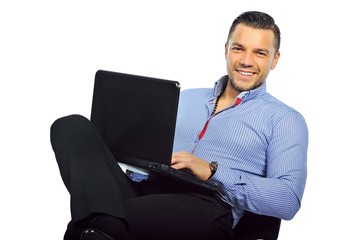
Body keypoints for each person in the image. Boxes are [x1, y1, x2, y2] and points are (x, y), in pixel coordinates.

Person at [50, 11, 308, 240]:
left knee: (91, 221)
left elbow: (288, 200)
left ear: (274, 60)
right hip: (145, 188)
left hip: (206, 205)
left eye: (260, 53)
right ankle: (104, 226)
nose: (246, 61)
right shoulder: (187, 98)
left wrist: (212, 171)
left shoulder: (284, 119)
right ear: (226, 50)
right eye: (239, 48)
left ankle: (102, 227)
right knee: (70, 126)